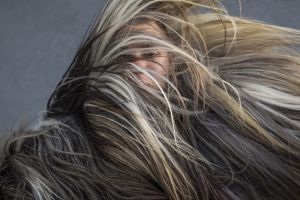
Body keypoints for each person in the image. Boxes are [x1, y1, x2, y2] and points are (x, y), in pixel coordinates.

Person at [1, 0, 300, 199]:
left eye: (150, 54)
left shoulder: (226, 113)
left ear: (172, 57)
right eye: (124, 58)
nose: (139, 68)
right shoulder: (74, 137)